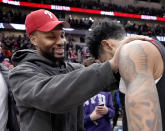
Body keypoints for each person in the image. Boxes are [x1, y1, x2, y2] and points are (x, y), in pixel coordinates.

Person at [8, 9, 150, 131]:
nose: (60, 42)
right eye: (51, 37)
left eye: (62, 35)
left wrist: (133, 62)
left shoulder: (72, 68)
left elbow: (106, 80)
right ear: (33, 39)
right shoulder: (20, 74)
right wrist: (110, 65)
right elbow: (52, 96)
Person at [86, 19, 165, 131]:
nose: (110, 68)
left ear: (107, 45)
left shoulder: (131, 52)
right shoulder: (156, 49)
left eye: (105, 61)